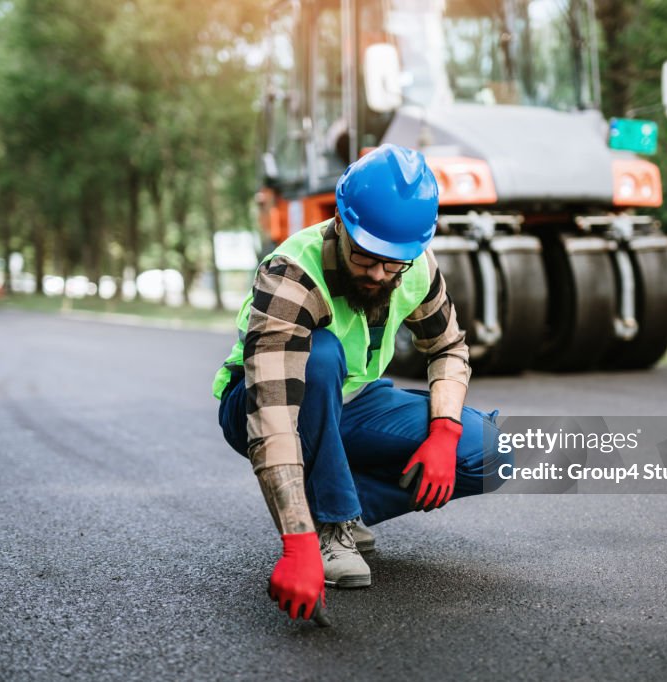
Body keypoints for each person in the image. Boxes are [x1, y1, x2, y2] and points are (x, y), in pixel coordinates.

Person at [214, 144, 502, 623]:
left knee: (487, 452)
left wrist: (444, 432)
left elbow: (448, 349)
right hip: (264, 403)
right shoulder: (291, 275)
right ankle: (326, 529)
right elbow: (273, 416)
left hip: (354, 402)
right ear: (341, 223)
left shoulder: (414, 267)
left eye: (393, 264)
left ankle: (339, 508)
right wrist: (297, 543)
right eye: (367, 257)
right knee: (320, 354)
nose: (377, 274)